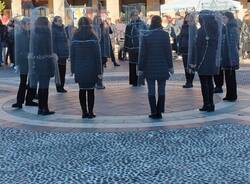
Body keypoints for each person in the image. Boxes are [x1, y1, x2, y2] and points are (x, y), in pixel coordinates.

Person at [138, 15, 173, 119]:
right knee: (162, 90)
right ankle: (160, 111)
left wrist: (140, 68)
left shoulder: (146, 35)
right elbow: (168, 53)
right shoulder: (165, 35)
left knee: (151, 90)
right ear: (160, 22)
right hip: (163, 66)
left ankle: (153, 112)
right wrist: (170, 66)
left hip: (149, 67)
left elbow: (142, 54)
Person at [71, 17, 102, 119]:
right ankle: (91, 112)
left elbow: (72, 55)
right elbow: (98, 56)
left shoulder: (75, 36)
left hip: (79, 67)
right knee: (91, 91)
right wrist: (99, 71)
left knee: (82, 90)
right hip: (91, 68)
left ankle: (84, 112)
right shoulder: (93, 36)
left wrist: (72, 69)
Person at [191, 11, 222, 112]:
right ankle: (211, 104)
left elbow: (198, 48)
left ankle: (206, 104)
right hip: (211, 60)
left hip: (202, 60)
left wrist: (195, 62)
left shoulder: (201, 31)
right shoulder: (215, 31)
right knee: (210, 82)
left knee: (204, 83)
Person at [29, 16, 56, 115]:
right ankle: (45, 108)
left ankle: (41, 108)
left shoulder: (34, 33)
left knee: (41, 86)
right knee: (45, 87)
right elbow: (49, 49)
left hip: (37, 61)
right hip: (46, 62)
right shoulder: (46, 33)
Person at [12, 17, 38, 109]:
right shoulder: (19, 35)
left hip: (32, 61)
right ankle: (19, 102)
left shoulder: (32, 34)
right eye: (28, 24)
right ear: (23, 25)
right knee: (23, 82)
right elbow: (18, 50)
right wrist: (17, 63)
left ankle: (29, 100)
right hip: (24, 62)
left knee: (32, 81)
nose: (30, 26)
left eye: (30, 24)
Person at [124, 10, 147, 87]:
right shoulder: (129, 26)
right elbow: (126, 37)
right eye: (134, 15)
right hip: (131, 49)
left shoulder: (143, 24)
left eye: (136, 15)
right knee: (132, 65)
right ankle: (133, 81)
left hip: (140, 48)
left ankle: (141, 81)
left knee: (140, 65)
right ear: (131, 16)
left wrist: (146, 47)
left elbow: (146, 35)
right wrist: (125, 50)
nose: (135, 16)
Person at [221, 12, 240, 102]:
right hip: (226, 55)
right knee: (228, 77)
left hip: (230, 56)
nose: (223, 20)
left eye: (224, 18)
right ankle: (229, 94)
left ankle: (233, 95)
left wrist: (232, 59)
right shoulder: (226, 27)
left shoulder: (232, 28)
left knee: (231, 77)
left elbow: (233, 44)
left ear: (229, 18)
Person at [52, 16, 69, 93]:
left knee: (63, 71)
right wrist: (55, 54)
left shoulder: (63, 29)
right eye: (59, 20)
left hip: (63, 54)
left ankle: (62, 86)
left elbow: (66, 41)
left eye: (61, 20)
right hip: (58, 54)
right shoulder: (53, 30)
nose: (61, 22)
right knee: (59, 72)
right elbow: (53, 43)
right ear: (55, 22)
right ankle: (59, 87)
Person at [179, 14, 195, 88]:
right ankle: (188, 81)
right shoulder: (183, 27)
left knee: (191, 65)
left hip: (191, 49)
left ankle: (190, 81)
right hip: (184, 48)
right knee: (185, 66)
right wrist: (179, 48)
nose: (187, 18)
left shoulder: (193, 27)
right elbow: (181, 37)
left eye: (189, 17)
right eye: (186, 17)